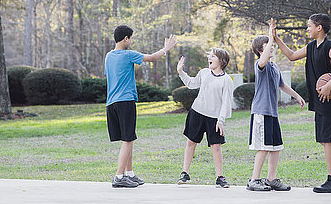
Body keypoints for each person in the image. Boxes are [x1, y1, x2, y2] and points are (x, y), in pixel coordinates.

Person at [273, 14, 331, 193]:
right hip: (321, 100)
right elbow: (291, 56)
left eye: (309, 26)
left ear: (319, 27)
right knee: (326, 140)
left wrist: (329, 86)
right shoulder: (310, 47)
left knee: (328, 140)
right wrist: (276, 39)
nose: (307, 29)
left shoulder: (330, 47)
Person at [105, 25, 177, 188]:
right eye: (131, 38)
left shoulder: (109, 56)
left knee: (128, 138)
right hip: (125, 101)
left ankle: (129, 173)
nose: (131, 41)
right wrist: (166, 49)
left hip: (112, 103)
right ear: (126, 39)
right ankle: (119, 176)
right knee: (128, 140)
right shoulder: (128, 54)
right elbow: (151, 58)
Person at [247, 20, 306, 192]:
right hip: (261, 112)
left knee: (276, 147)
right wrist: (271, 37)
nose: (271, 48)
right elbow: (263, 60)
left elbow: (282, 85)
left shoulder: (274, 67)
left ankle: (271, 179)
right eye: (267, 46)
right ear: (260, 50)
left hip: (272, 113)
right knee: (264, 148)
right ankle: (254, 180)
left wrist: (297, 96)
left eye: (271, 45)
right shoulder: (260, 65)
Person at [176, 48, 235, 188]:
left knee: (216, 146)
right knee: (191, 142)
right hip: (197, 112)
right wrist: (180, 72)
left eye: (213, 56)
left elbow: (226, 102)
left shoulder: (227, 80)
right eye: (209, 56)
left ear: (221, 61)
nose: (209, 58)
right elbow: (191, 84)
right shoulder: (204, 72)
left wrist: (221, 121)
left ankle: (220, 177)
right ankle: (185, 173)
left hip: (214, 118)